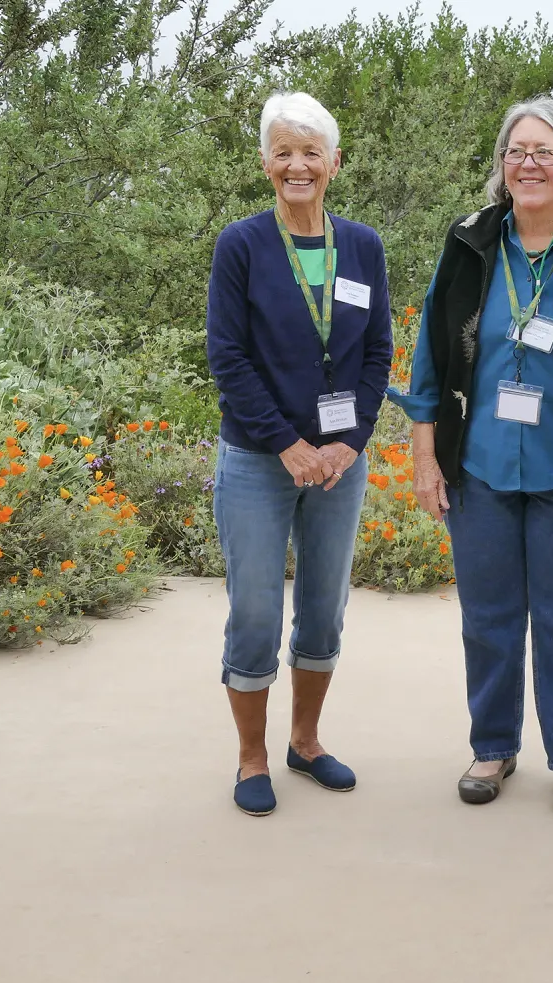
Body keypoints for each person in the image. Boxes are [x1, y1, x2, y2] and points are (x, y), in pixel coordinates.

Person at [389, 96, 553, 818]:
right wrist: (424, 457)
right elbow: (430, 357)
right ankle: (493, 746)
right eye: (516, 152)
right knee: (489, 616)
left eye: (545, 153)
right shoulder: (469, 242)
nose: (528, 164)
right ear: (502, 168)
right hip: (480, 466)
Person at [206, 92, 392, 816]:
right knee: (255, 610)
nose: (297, 165)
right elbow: (228, 356)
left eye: (310, 151)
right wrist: (287, 445)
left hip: (339, 463)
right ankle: (252, 756)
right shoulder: (242, 245)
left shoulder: (364, 246)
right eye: (283, 151)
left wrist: (349, 442)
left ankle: (305, 742)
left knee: (323, 608)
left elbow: (377, 351)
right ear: (264, 164)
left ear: (334, 163)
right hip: (259, 458)